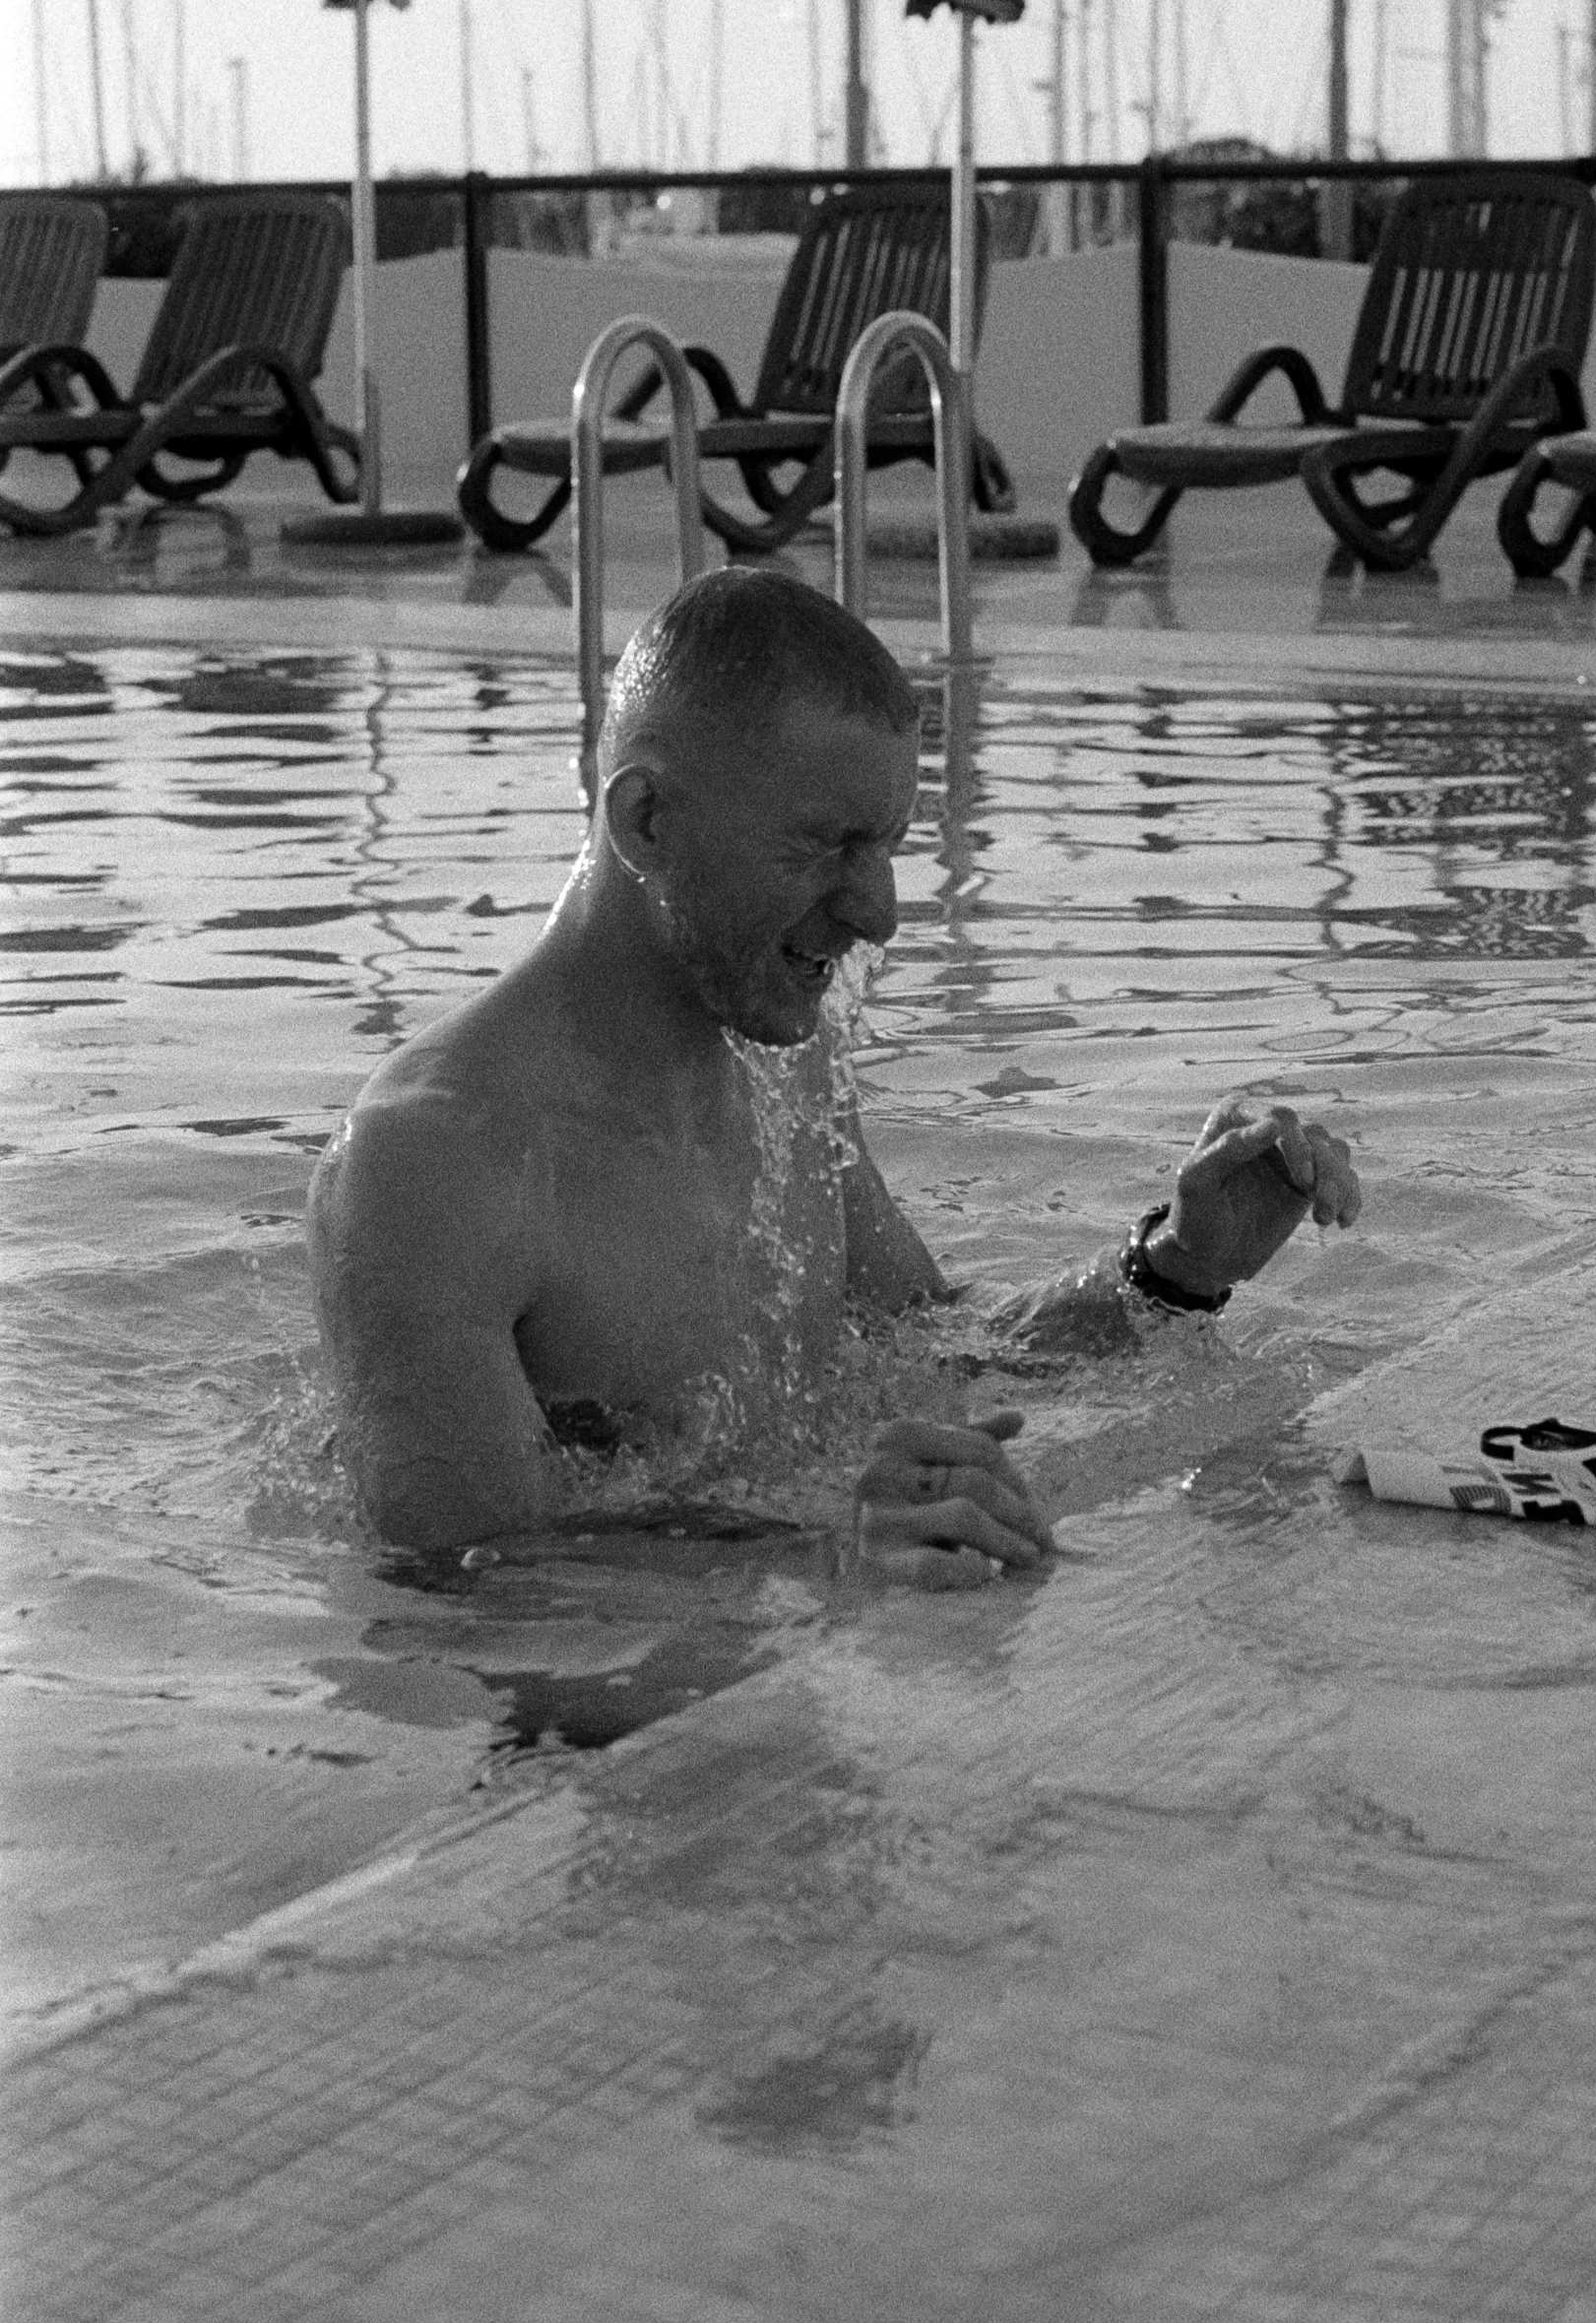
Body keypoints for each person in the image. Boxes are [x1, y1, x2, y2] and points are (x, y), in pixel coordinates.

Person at [308, 571, 1362, 1585]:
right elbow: (460, 1570)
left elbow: (938, 1350)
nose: (881, 910)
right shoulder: (437, 1158)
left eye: (888, 845)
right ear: (647, 824)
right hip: (563, 1747)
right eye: (824, 846)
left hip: (776, 1681)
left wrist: (1175, 1266)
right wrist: (820, 1556)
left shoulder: (787, 1068)